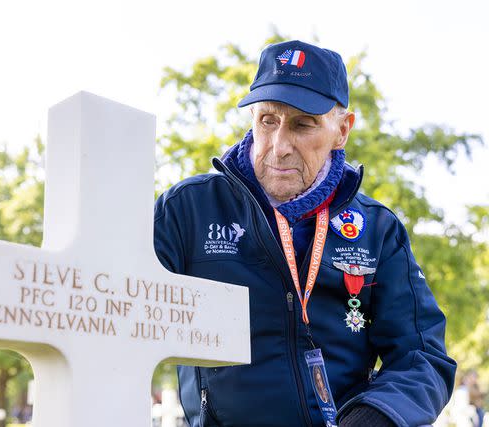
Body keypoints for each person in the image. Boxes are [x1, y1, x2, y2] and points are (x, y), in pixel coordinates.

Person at [153, 40, 457, 427]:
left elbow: (423, 357)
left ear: (342, 130)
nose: (279, 147)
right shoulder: (186, 209)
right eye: (267, 120)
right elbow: (120, 308)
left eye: (302, 124)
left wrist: (374, 417)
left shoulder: (378, 230)